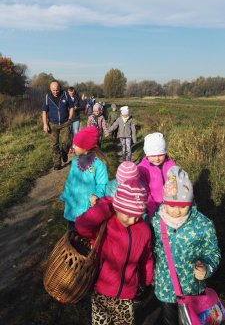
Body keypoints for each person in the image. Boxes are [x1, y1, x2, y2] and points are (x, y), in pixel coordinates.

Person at [75, 179, 154, 325]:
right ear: (117, 207)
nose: (131, 220)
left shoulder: (143, 230)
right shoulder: (106, 224)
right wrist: (105, 206)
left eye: (137, 216)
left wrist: (146, 279)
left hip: (127, 293)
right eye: (128, 215)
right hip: (101, 289)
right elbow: (81, 226)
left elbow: (146, 258)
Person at [152, 165, 221, 325]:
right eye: (171, 206)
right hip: (165, 287)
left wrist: (206, 267)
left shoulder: (203, 225)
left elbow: (213, 252)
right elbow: (154, 248)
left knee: (191, 322)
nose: (176, 211)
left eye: (182, 206)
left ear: (190, 202)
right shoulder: (157, 221)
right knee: (169, 320)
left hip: (192, 290)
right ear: (164, 202)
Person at [59, 126, 108, 227]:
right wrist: (66, 194)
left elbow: (102, 184)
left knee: (85, 232)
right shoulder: (75, 161)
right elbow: (70, 180)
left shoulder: (99, 164)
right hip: (72, 204)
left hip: (87, 207)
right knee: (72, 232)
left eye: (76, 145)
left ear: (85, 147)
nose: (73, 146)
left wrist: (97, 195)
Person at [138, 132, 176, 219]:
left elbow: (174, 186)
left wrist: (173, 205)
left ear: (165, 152)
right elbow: (144, 192)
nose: (157, 158)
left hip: (171, 206)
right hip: (152, 207)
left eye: (160, 154)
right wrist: (152, 210)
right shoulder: (142, 169)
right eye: (153, 155)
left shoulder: (171, 165)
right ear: (147, 154)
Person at [42, 80, 74, 170]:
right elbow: (44, 111)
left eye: (57, 90)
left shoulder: (65, 95)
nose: (55, 92)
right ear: (50, 89)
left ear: (59, 88)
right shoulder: (47, 97)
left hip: (65, 123)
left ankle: (64, 152)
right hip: (52, 124)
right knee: (54, 145)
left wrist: (70, 118)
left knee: (66, 142)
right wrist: (45, 124)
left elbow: (71, 106)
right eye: (53, 90)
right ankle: (57, 163)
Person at [67, 87, 85, 152]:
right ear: (68, 92)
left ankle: (74, 147)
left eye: (72, 92)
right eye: (69, 92)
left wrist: (77, 108)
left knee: (76, 132)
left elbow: (83, 106)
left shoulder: (77, 98)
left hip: (76, 118)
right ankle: (69, 147)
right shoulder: (65, 98)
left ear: (74, 91)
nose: (71, 94)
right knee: (69, 133)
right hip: (68, 119)